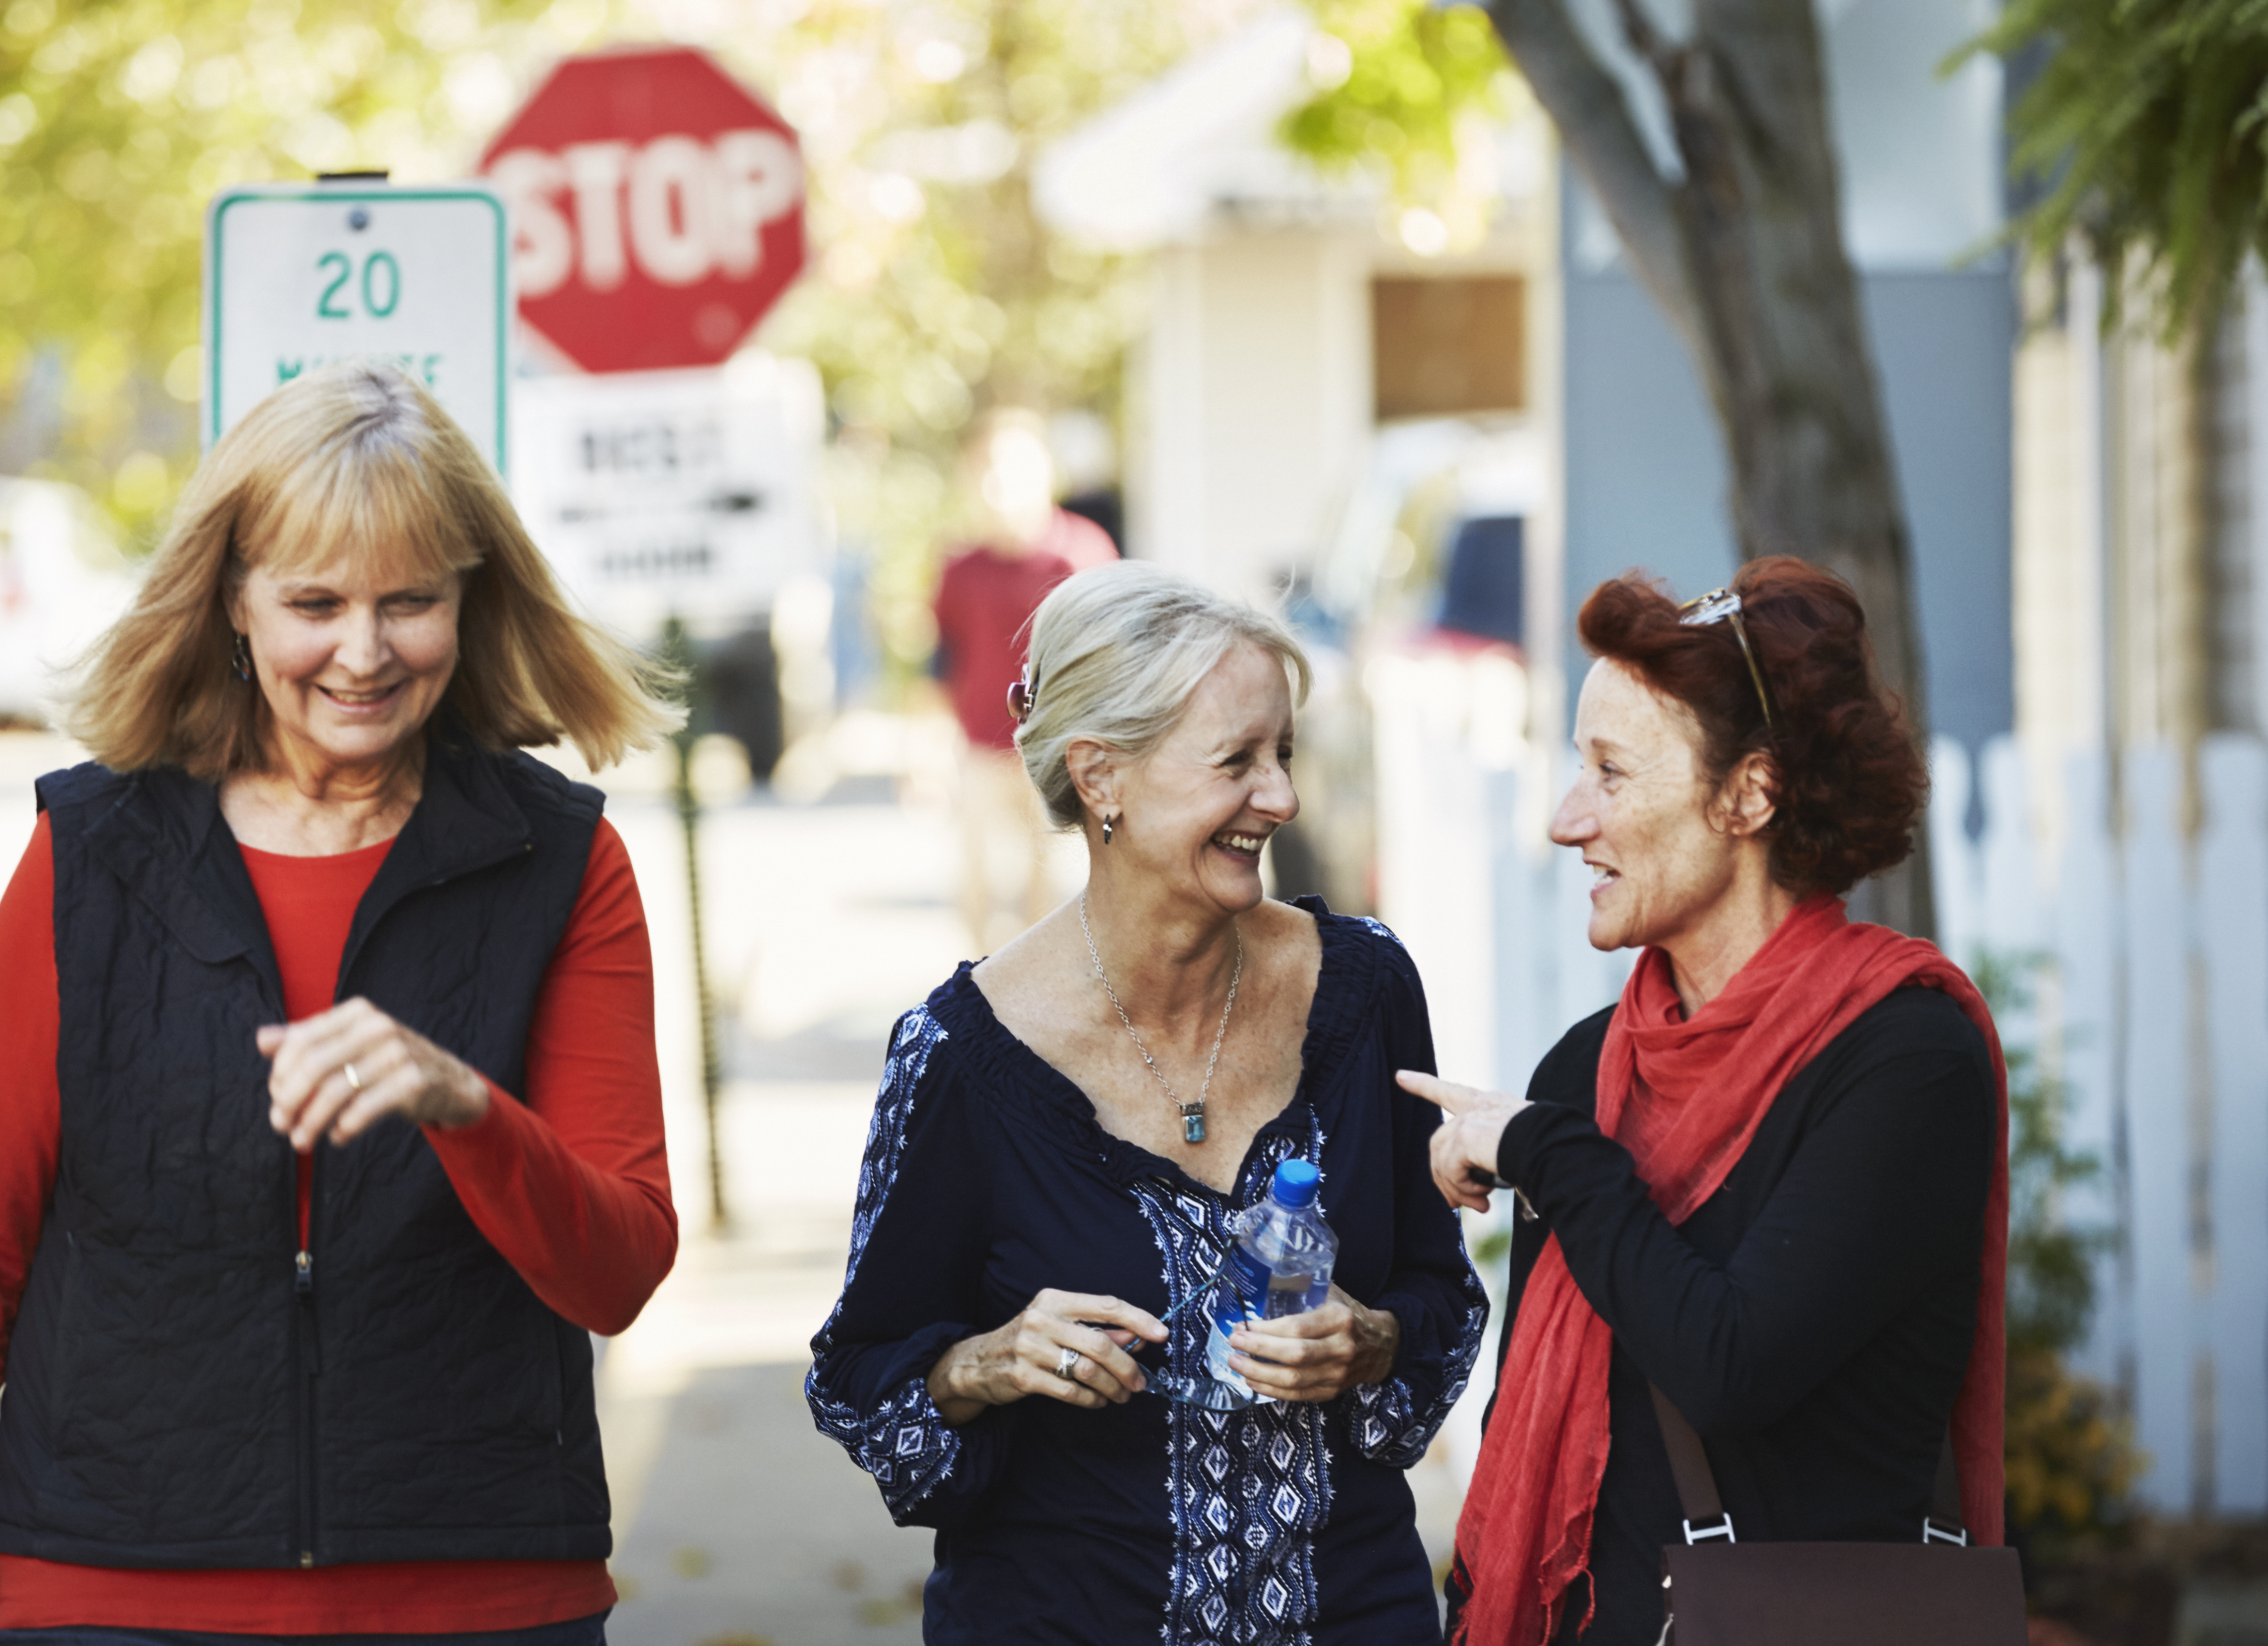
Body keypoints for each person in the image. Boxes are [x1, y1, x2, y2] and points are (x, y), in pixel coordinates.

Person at [0, 363, 682, 1644]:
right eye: (315, 602)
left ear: (469, 600)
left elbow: (619, 1270)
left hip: (477, 1592)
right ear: (231, 603)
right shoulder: (95, 852)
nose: (363, 653)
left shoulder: (563, 862)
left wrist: (465, 1108)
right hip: (113, 1588)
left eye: (410, 601)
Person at [810, 561, 1488, 1644]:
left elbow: (1440, 1294)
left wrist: (1370, 1338)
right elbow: (857, 1374)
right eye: (1236, 761)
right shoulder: (959, 1055)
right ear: (1101, 777)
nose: (1282, 797)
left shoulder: (1364, 991)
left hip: (1357, 1611)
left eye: (1285, 753)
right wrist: (986, 1361)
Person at [1402, 559, 2009, 1645]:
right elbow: (1515, 1426)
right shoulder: (1587, 1068)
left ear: (1751, 793)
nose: (1565, 817)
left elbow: (1733, 1363)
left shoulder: (1907, 1060)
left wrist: (1548, 1151)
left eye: (1613, 772)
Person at [931, 409, 1119, 953]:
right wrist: (928, 753)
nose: (997, 484)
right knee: (975, 884)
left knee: (1055, 889)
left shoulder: (1082, 553)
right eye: (985, 468)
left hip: (1059, 753)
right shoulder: (960, 567)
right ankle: (978, 1013)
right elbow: (942, 659)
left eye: (1010, 467)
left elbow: (1110, 660)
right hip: (981, 753)